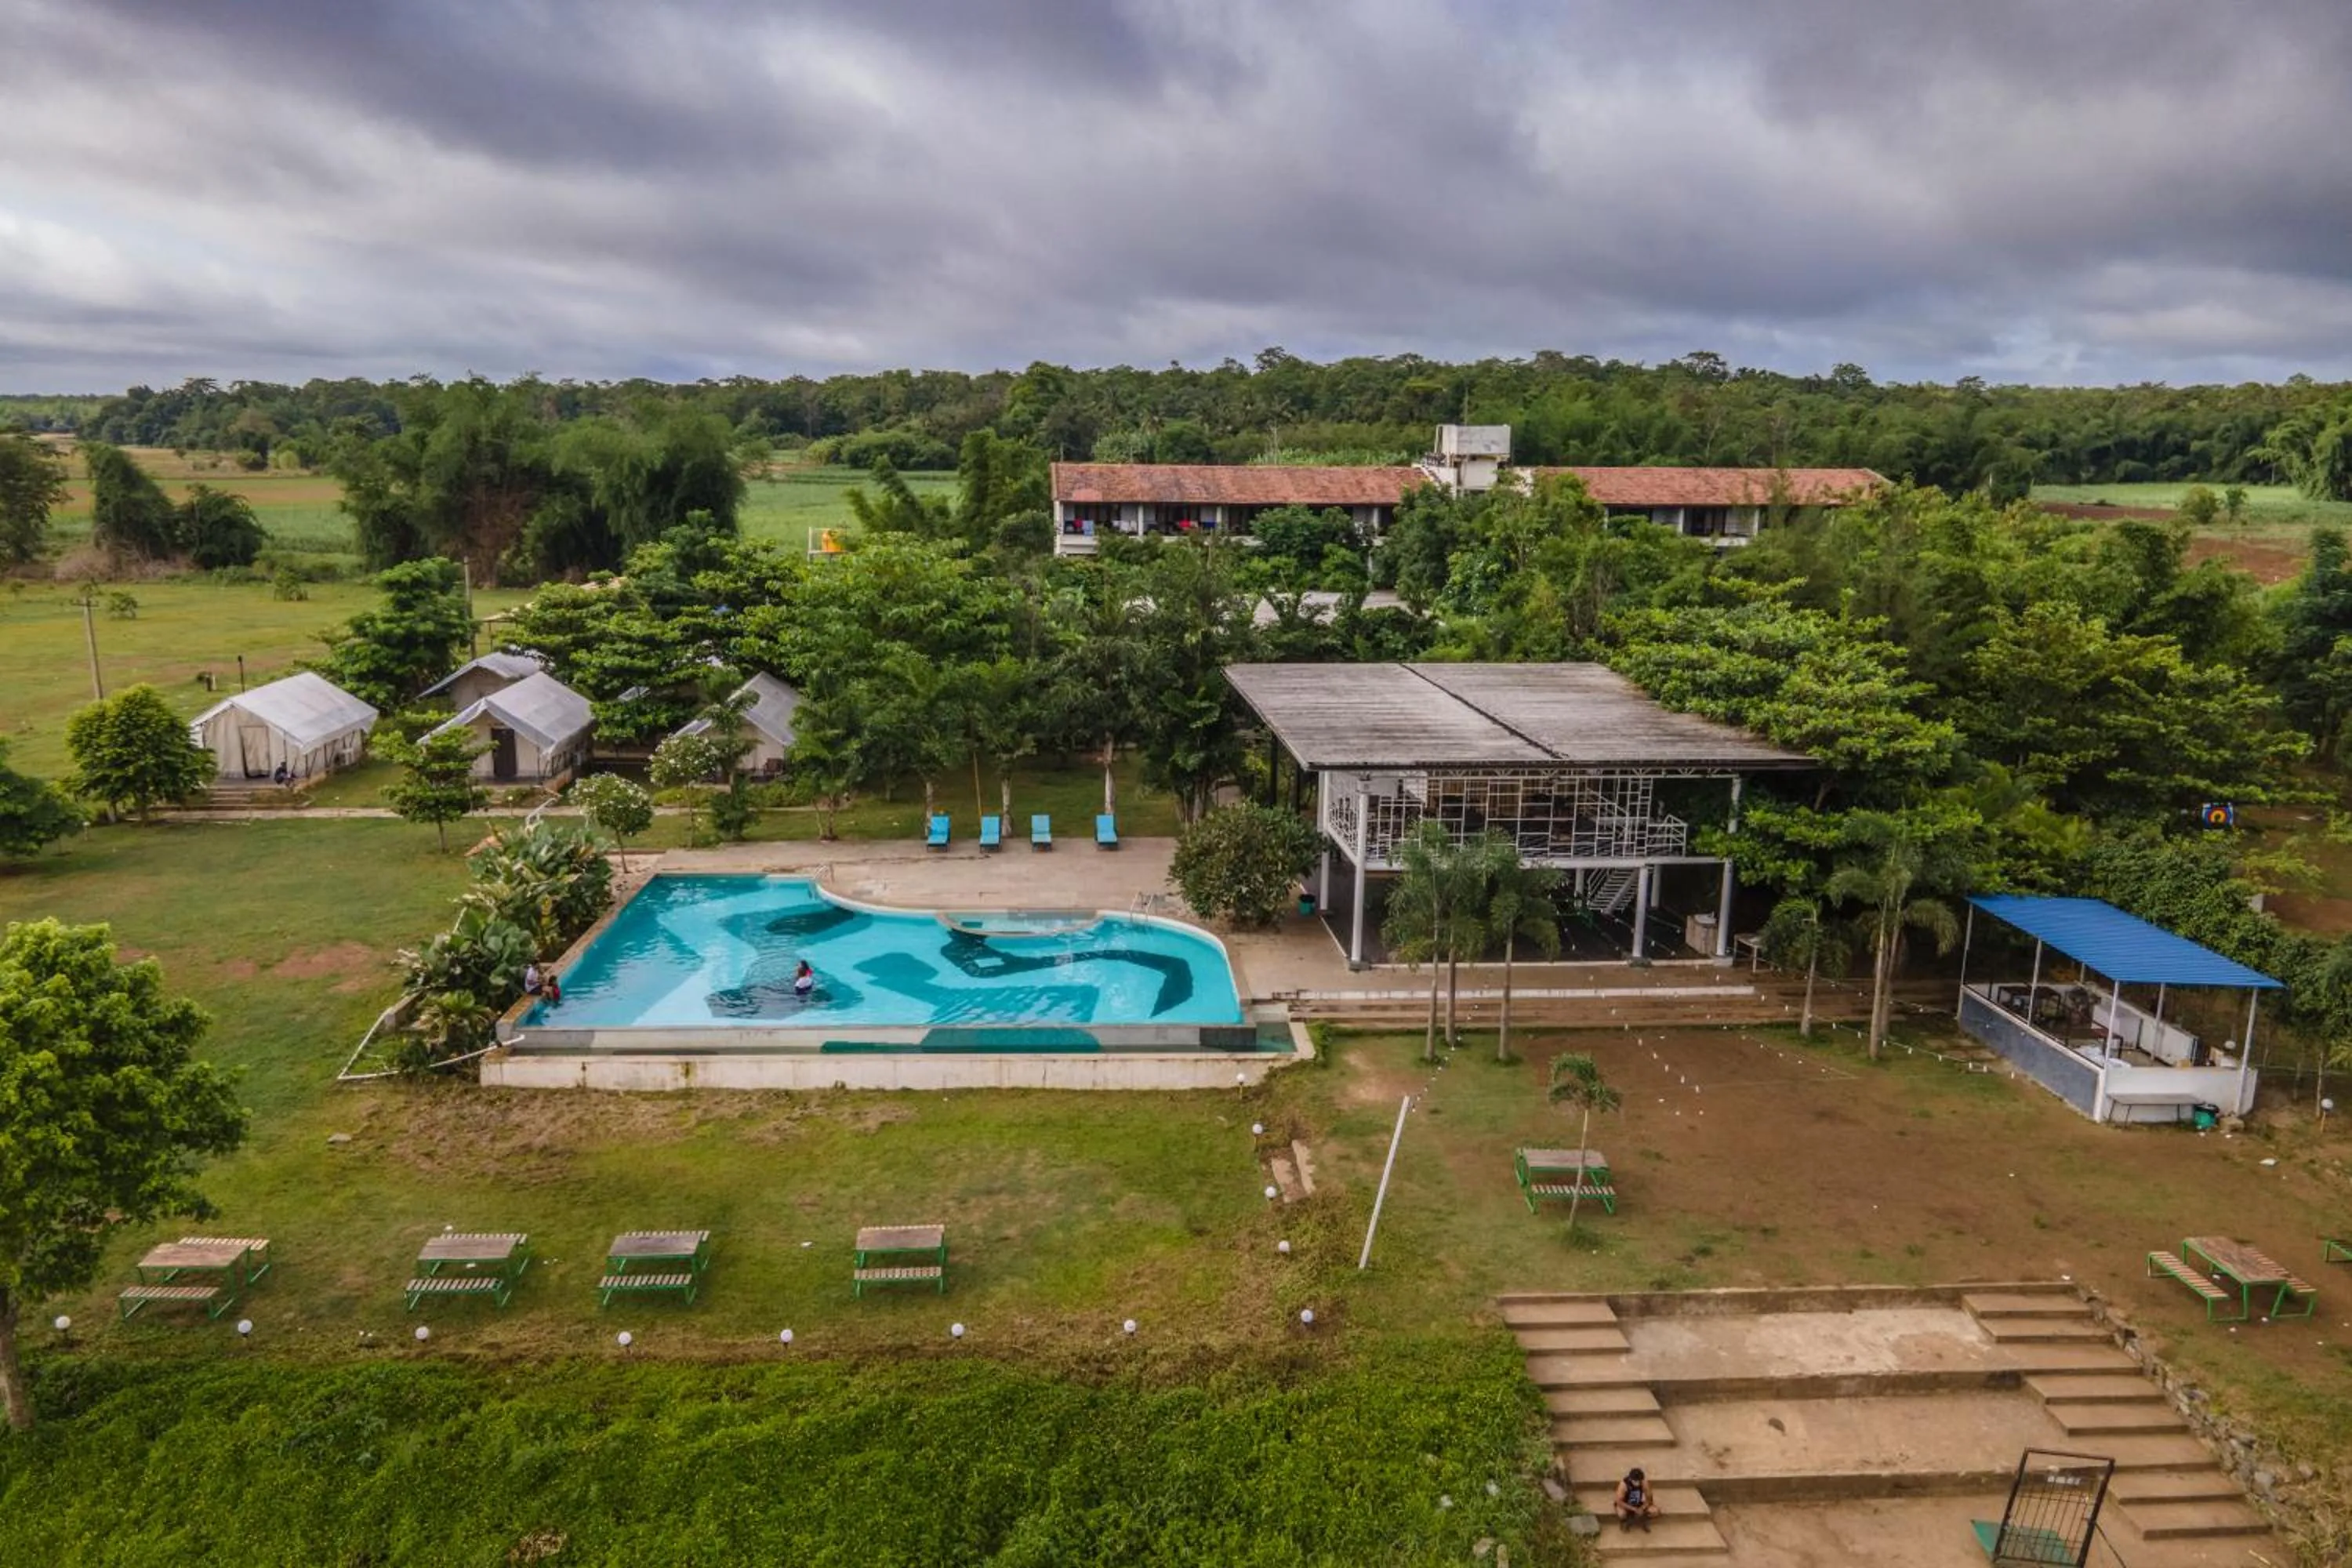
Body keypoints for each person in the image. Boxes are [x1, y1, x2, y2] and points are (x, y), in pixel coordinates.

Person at [1614, 1468, 1658, 1532]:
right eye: (1635, 1481)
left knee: (1655, 1511)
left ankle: (1643, 1521)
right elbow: (1619, 1501)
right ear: (1630, 1479)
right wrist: (1633, 1509)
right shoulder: (1624, 1485)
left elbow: (1649, 1498)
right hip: (1626, 1504)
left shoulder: (1644, 1483)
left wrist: (1642, 1508)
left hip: (1639, 1503)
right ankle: (1625, 1522)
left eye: (1639, 1481)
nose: (1637, 1483)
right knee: (1622, 1514)